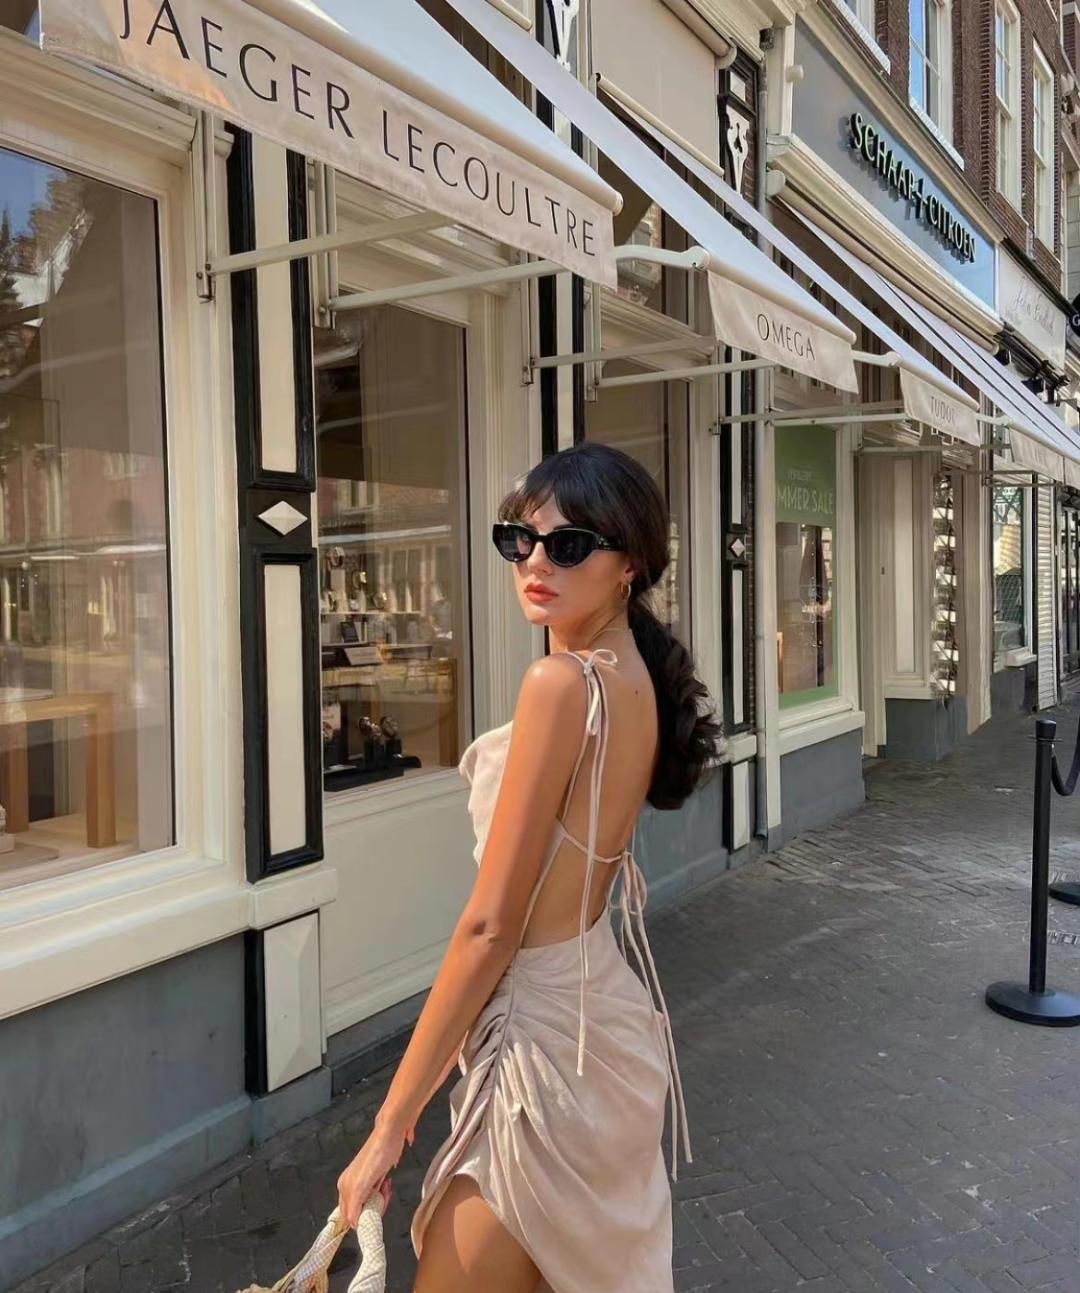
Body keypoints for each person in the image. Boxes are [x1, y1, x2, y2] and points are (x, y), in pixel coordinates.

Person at [336, 442, 723, 1291]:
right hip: (600, 1021)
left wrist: (388, 1127)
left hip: (542, 1050)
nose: (536, 562)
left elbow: (489, 927)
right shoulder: (633, 679)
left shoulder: (561, 683)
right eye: (519, 540)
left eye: (569, 544)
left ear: (629, 565)